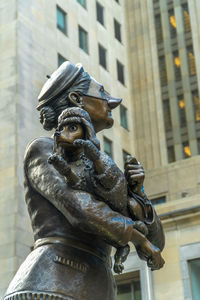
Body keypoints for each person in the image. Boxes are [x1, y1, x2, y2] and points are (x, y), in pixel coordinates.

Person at [4, 62, 165, 300]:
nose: (111, 102)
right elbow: (80, 208)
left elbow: (157, 244)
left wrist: (138, 193)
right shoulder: (45, 150)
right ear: (77, 99)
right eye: (102, 93)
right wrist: (137, 237)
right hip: (51, 285)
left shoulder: (105, 167)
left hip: (96, 288)